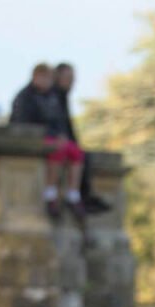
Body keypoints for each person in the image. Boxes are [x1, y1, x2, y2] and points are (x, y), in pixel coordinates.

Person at [10, 62, 84, 222]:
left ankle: (73, 194)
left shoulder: (53, 97)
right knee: (56, 150)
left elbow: (60, 121)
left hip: (55, 137)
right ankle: (50, 193)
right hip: (38, 139)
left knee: (76, 152)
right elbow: (22, 124)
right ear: (37, 77)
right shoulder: (25, 97)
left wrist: (62, 135)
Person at [53, 62, 110, 214]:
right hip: (53, 142)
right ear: (57, 77)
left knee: (82, 155)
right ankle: (73, 196)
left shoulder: (61, 97)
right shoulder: (52, 97)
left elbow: (68, 127)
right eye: (68, 78)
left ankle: (81, 196)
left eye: (72, 78)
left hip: (65, 143)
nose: (72, 82)